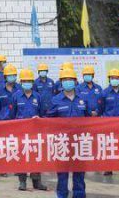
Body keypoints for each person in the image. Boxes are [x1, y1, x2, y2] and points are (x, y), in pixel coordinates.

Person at [47, 67, 90, 198]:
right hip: (62, 143)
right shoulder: (55, 100)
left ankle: (79, 195)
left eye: (70, 79)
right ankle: (61, 195)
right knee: (62, 175)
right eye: (65, 79)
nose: (68, 82)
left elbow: (89, 119)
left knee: (79, 175)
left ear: (75, 81)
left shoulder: (83, 99)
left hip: (80, 143)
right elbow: (49, 120)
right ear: (61, 82)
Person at [10, 69, 48, 191]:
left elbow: (43, 114)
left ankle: (37, 182)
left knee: (36, 156)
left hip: (35, 132)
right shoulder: (15, 96)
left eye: (29, 81)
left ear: (32, 82)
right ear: (21, 82)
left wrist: (40, 119)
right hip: (20, 132)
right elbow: (12, 114)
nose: (27, 83)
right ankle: (22, 182)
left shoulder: (38, 96)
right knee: (22, 156)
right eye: (24, 81)